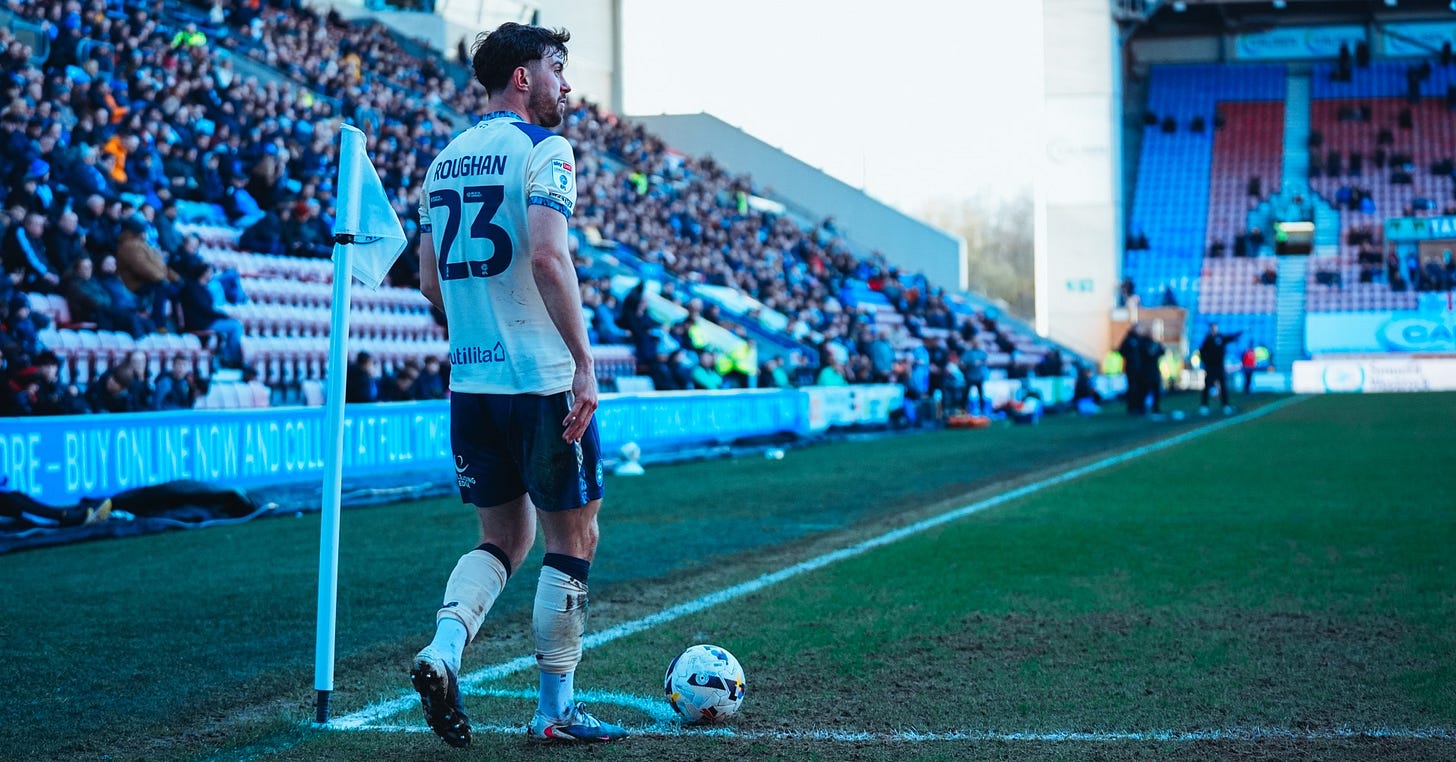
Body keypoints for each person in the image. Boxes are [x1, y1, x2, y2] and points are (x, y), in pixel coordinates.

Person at [408, 22, 627, 747]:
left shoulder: (443, 161)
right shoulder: (543, 149)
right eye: (558, 68)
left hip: (472, 381)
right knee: (574, 535)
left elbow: (429, 280)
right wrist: (585, 365)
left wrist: (480, 323)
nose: (567, 84)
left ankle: (444, 649)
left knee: (503, 535)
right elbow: (546, 257)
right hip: (541, 380)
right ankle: (555, 709)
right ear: (524, 78)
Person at [1198, 323, 1242, 414]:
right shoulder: (1207, 340)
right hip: (1210, 367)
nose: (1215, 329)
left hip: (1219, 367)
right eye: (1213, 328)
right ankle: (1204, 406)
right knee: (1207, 386)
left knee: (1223, 386)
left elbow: (1230, 337)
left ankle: (1225, 405)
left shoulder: (1221, 338)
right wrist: (1206, 362)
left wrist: (1240, 333)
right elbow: (1202, 352)